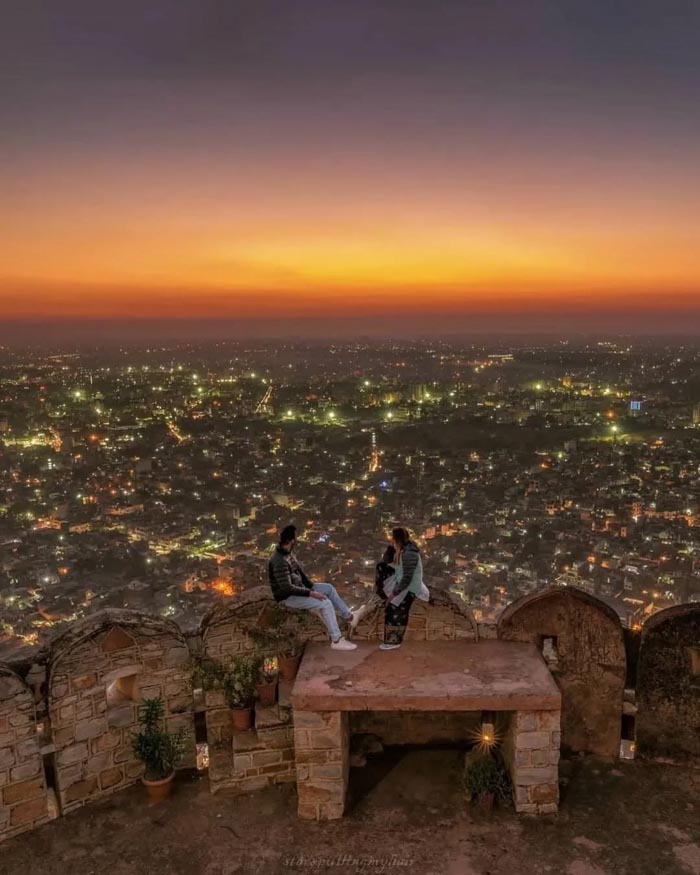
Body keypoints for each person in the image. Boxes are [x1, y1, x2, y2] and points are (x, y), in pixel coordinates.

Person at [268, 524, 360, 651]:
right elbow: (286, 588)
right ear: (292, 541)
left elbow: (300, 574)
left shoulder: (288, 554)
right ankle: (337, 640)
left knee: (328, 588)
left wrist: (312, 588)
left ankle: (349, 617)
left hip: (300, 589)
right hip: (288, 597)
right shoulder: (279, 560)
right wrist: (311, 594)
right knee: (325, 603)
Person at [376, 527, 423, 650]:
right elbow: (386, 562)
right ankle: (391, 640)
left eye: (393, 538)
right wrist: (391, 548)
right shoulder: (403, 550)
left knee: (396, 612)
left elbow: (407, 578)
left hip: (409, 588)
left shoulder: (409, 553)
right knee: (381, 566)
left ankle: (393, 641)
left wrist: (394, 593)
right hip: (403, 583)